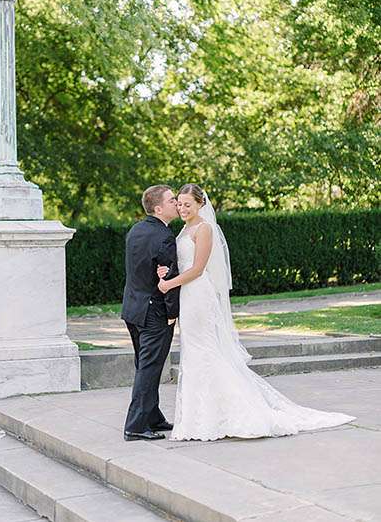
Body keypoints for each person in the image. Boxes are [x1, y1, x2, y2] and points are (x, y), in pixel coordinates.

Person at [158, 183, 355, 441]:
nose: (183, 208)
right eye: (180, 204)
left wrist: (168, 284)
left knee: (205, 351)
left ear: (200, 205)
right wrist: (167, 273)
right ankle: (203, 417)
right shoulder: (184, 229)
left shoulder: (204, 229)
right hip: (187, 295)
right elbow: (182, 263)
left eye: (188, 204)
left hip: (198, 294)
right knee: (194, 353)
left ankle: (235, 414)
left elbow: (197, 269)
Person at [121, 184, 181, 441]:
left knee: (145, 366)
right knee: (149, 368)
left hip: (132, 309)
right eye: (171, 200)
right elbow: (167, 278)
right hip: (154, 312)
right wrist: (172, 312)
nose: (176, 202)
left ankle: (152, 416)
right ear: (158, 208)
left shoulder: (136, 230)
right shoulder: (164, 237)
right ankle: (135, 426)